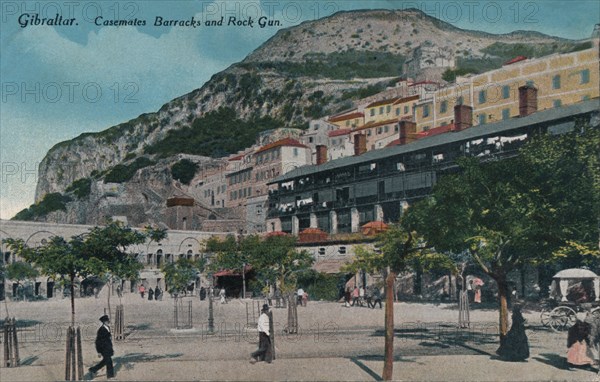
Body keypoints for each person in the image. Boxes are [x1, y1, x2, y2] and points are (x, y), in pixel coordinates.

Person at [89, 315, 114, 379]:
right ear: (103, 322)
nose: (108, 322)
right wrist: (99, 351)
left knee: (105, 361)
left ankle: (93, 369)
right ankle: (110, 376)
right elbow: (97, 341)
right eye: (106, 321)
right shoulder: (101, 330)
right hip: (103, 349)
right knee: (109, 361)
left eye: (108, 320)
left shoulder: (107, 327)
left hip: (108, 348)